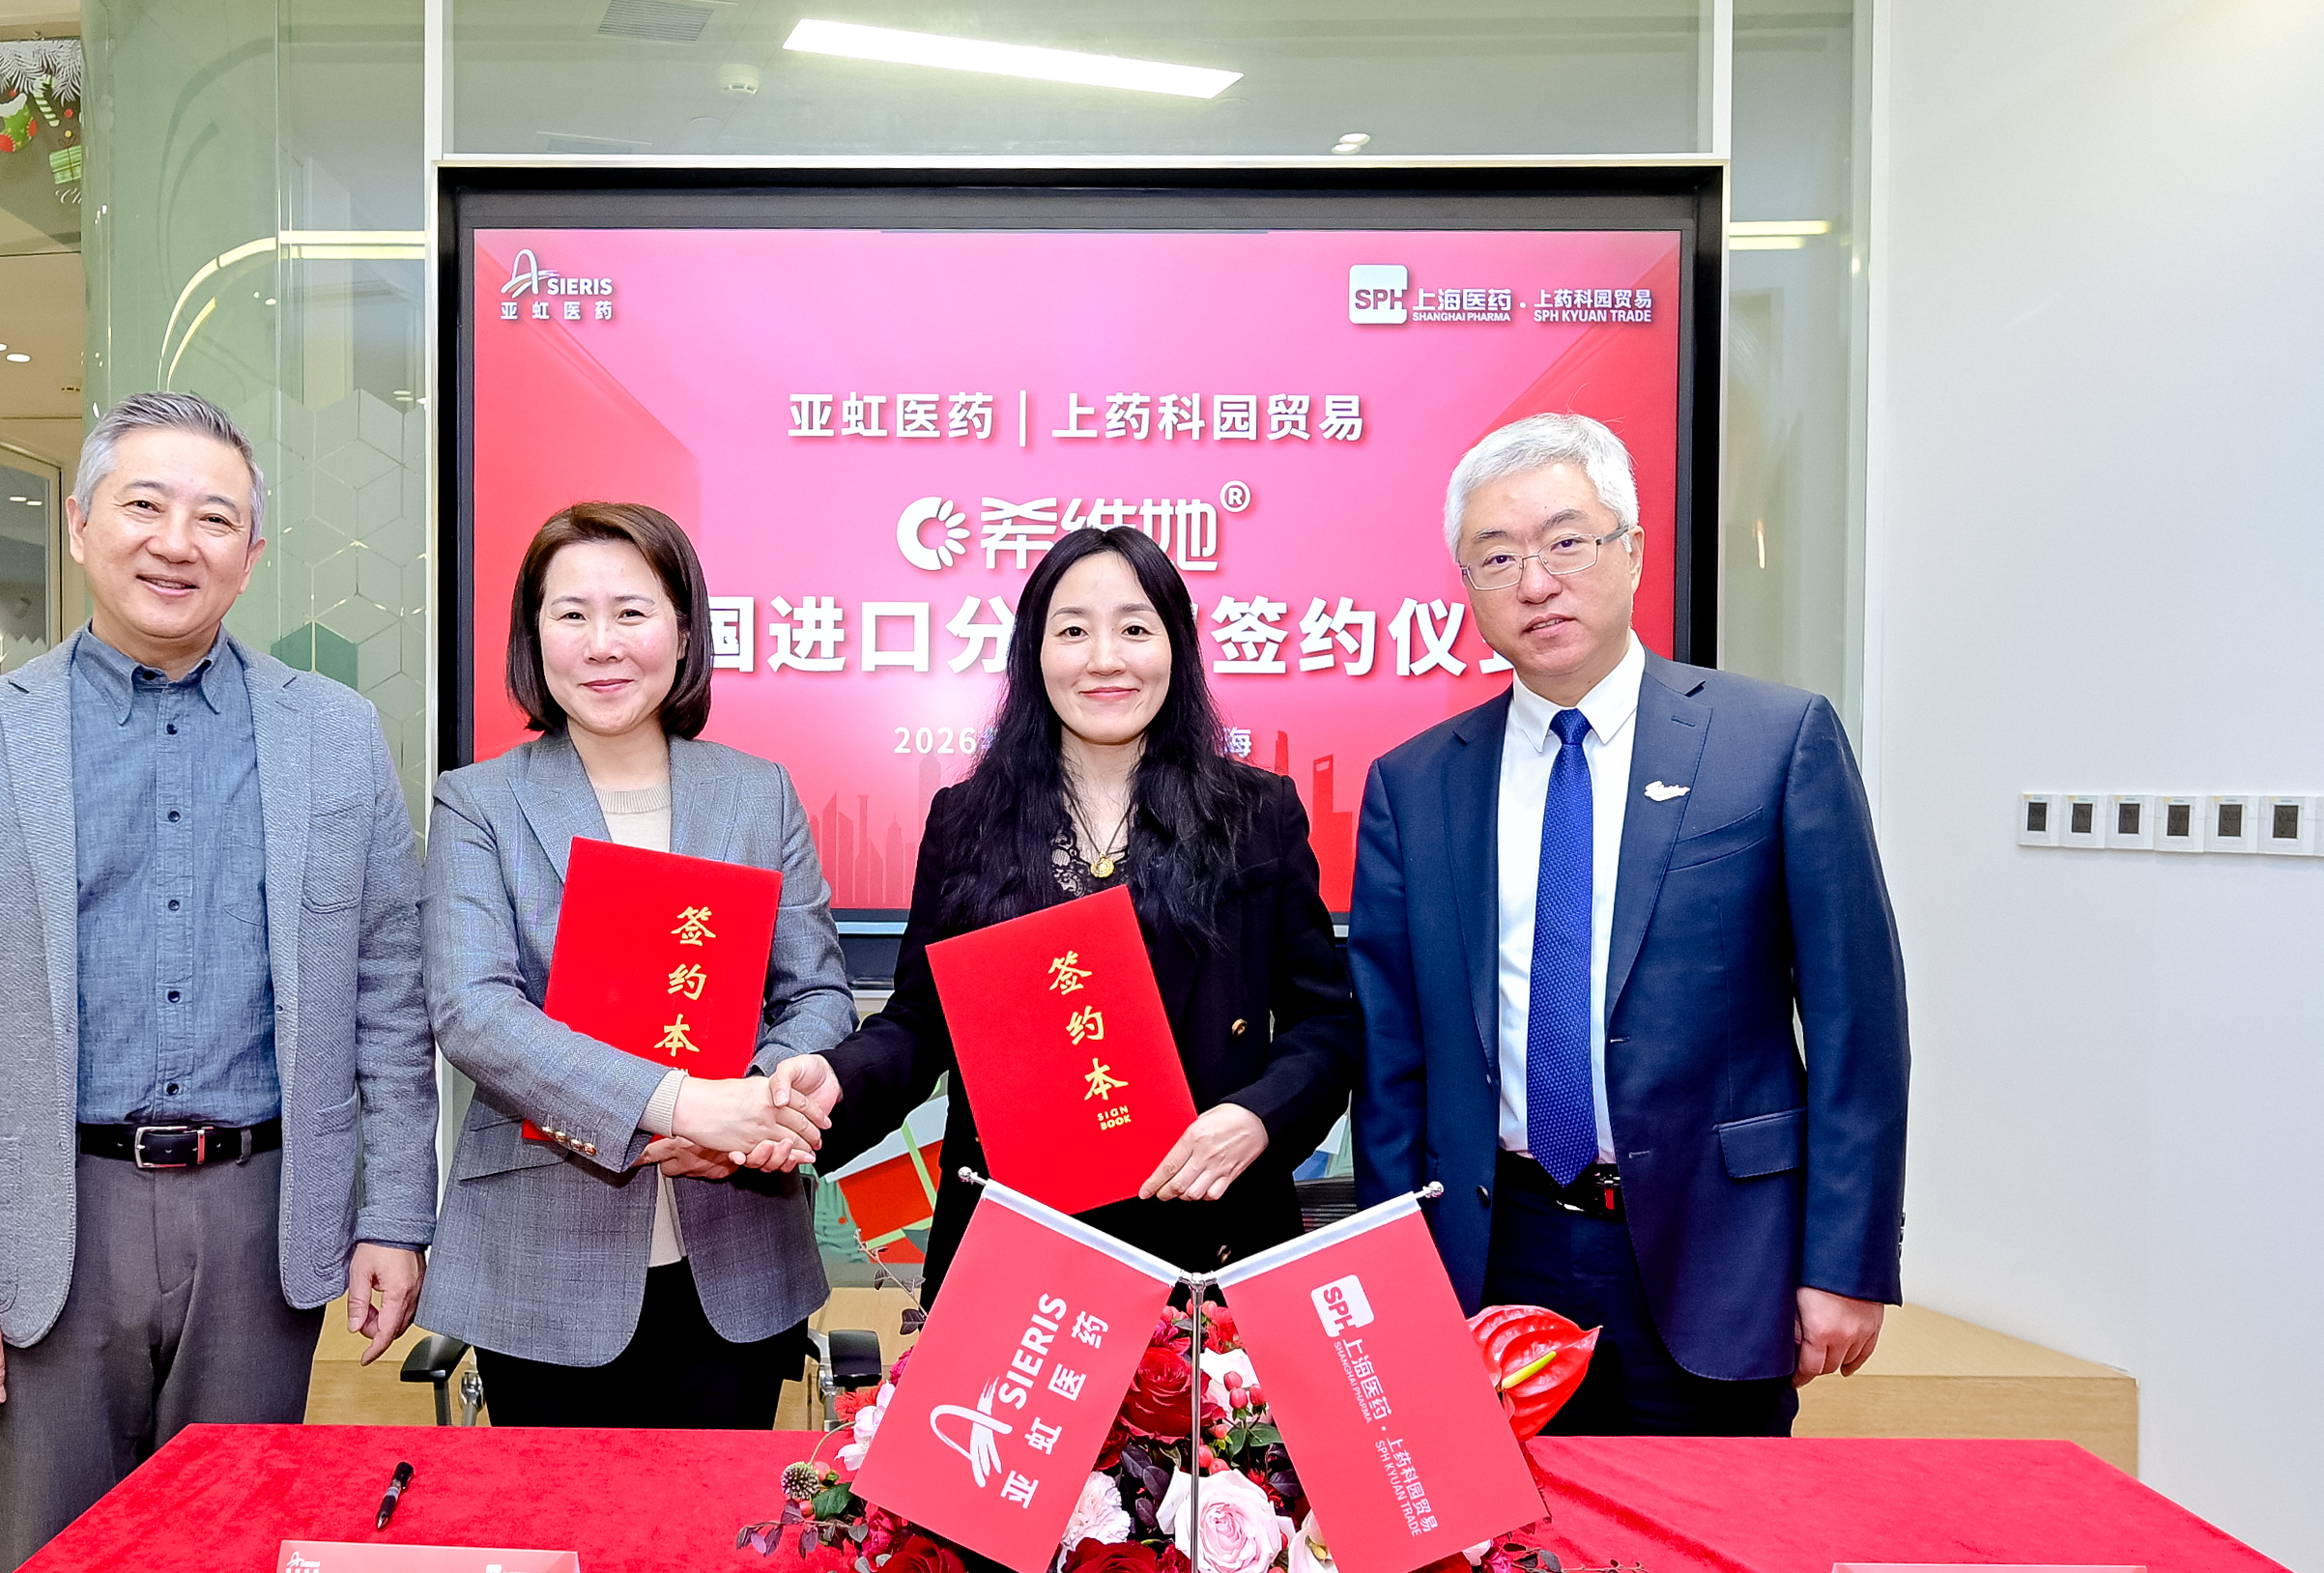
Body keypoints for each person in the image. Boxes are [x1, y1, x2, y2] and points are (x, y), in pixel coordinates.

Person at [0, 390, 440, 1573]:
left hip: (262, 1215)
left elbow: (391, 993)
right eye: (144, 505)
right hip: (50, 1219)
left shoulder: (336, 734)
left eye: (214, 517)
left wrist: (393, 1211)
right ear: (80, 525)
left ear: (251, 555)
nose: (177, 542)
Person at [1348, 412, 1908, 1437]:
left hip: (1717, 1252)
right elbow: (1394, 1063)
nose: (1536, 582)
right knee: (1503, 1540)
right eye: (1497, 557)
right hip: (1492, 1252)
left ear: (1635, 550)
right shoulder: (1415, 785)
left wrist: (1846, 1260)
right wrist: (1395, 1275)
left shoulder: (1773, 741)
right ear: (1467, 587)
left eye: (1567, 541)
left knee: (1712, 1534)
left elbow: (1856, 1026)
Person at [777, 527, 1360, 1298]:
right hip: (1019, 1244)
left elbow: (1325, 1023)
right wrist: (835, 1082)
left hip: (1208, 1232)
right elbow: (921, 1020)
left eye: (1135, 629)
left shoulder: (1255, 814)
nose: (1105, 659)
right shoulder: (967, 821)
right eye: (1074, 631)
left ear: (1178, 648)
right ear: (1034, 652)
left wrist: (1258, 1117)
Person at [417, 502, 852, 1429]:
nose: (602, 644)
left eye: (632, 612)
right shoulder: (478, 803)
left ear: (684, 631)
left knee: (721, 1520)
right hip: (540, 1266)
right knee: (555, 1522)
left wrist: (755, 1107)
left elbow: (816, 992)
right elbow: (473, 1012)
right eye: (571, 614)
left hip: (738, 1260)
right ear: (533, 636)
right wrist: (683, 1105)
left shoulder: (757, 793)